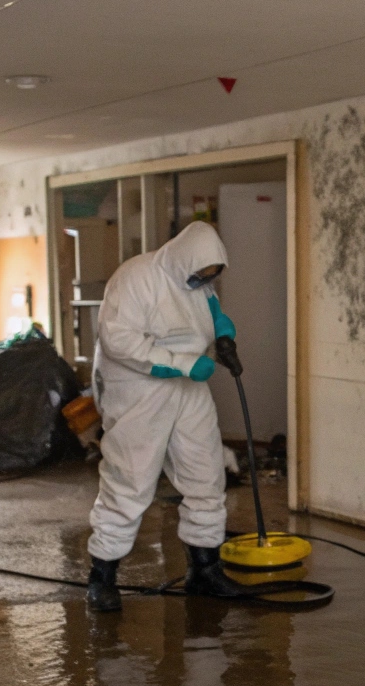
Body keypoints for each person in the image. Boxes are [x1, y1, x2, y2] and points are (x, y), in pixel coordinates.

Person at [85, 221, 248, 613]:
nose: (204, 281)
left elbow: (210, 309)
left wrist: (222, 334)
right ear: (183, 257)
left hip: (189, 388)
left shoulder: (195, 280)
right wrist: (179, 364)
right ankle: (102, 576)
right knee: (131, 479)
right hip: (138, 389)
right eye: (201, 273)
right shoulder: (136, 277)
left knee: (206, 474)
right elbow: (118, 340)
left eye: (211, 275)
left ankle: (204, 570)